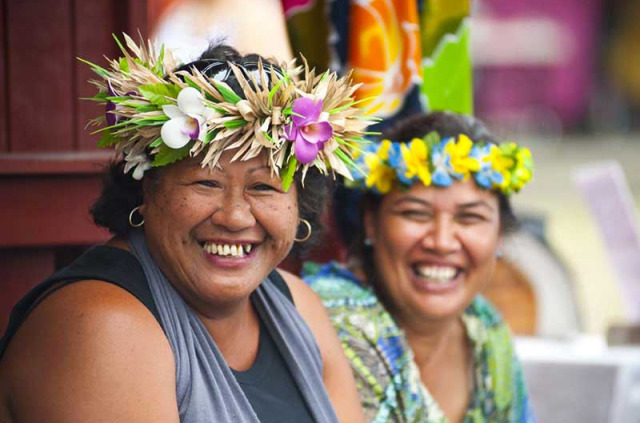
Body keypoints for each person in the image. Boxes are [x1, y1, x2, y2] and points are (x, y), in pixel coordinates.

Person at [0, 35, 372, 423]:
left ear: (300, 208)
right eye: (206, 183)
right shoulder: (102, 329)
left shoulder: (300, 309)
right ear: (146, 187)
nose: (235, 217)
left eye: (263, 187)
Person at [304, 111, 537, 423]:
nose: (441, 242)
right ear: (371, 224)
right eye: (416, 214)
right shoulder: (335, 315)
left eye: (470, 217)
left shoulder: (486, 330)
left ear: (498, 238)